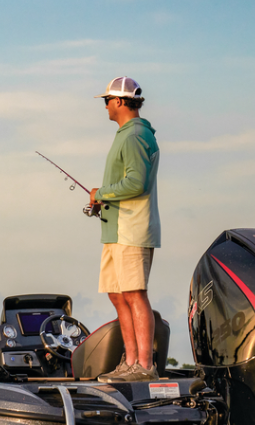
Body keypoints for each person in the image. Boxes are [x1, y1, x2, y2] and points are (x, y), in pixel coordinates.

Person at [88, 76, 161, 383]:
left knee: (134, 293)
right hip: (115, 229)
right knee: (118, 296)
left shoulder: (133, 136)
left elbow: (136, 182)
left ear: (118, 101)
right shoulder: (126, 135)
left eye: (107, 100)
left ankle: (144, 365)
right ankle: (130, 362)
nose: (105, 105)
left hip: (131, 229)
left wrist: (101, 193)